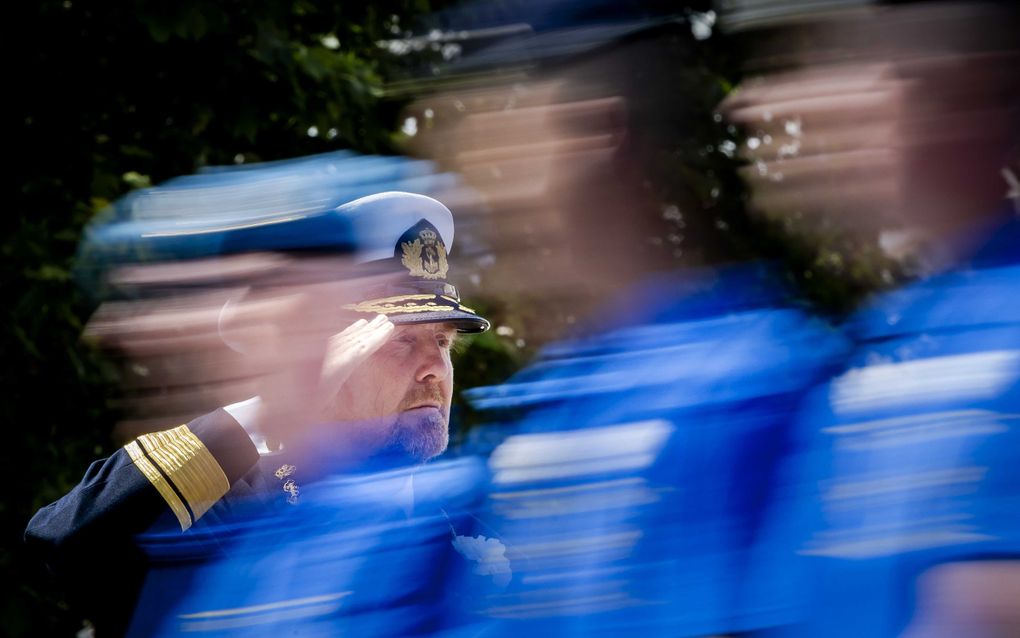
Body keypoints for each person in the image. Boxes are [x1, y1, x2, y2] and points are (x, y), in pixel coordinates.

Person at [25, 190, 489, 636]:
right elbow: (70, 541)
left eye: (443, 342)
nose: (435, 369)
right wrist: (272, 413)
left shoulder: (476, 541)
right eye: (402, 340)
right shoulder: (234, 509)